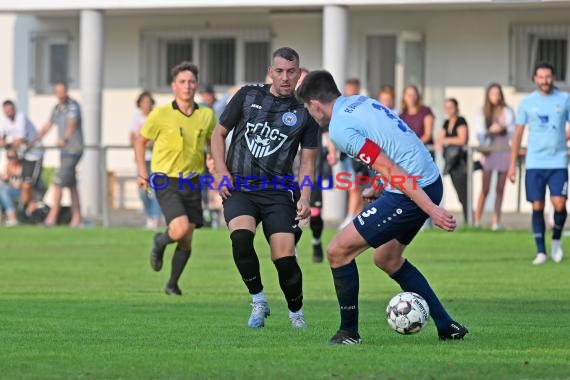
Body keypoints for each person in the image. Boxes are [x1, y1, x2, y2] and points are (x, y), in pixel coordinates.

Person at [296, 70, 468, 344]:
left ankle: (348, 332)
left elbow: (389, 166)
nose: (309, 113)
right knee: (386, 259)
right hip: (427, 179)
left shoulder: (339, 127)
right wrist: (378, 185)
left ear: (315, 103)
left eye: (307, 107)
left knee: (337, 250)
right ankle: (447, 325)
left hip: (410, 190)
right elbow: (394, 144)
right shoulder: (361, 102)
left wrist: (431, 210)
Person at [210, 47, 319, 329]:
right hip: (241, 187)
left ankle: (296, 313)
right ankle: (258, 299)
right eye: (279, 71)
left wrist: (305, 196)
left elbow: (307, 163)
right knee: (241, 239)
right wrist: (221, 171)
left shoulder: (304, 112)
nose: (285, 77)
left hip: (278, 191)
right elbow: (218, 134)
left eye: (291, 72)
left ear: (298, 73)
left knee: (283, 258)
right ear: (271, 71)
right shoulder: (248, 95)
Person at [135, 62, 216, 295]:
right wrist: (143, 172)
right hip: (165, 178)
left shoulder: (206, 115)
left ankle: (172, 285)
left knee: (187, 238)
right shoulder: (160, 114)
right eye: (182, 82)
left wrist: (212, 158)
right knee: (179, 229)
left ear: (196, 85)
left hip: (192, 180)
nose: (187, 86)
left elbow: (213, 142)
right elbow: (140, 141)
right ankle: (159, 242)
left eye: (191, 82)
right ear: (174, 86)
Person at [508, 62, 570, 265]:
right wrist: (511, 165)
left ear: (553, 78)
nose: (545, 81)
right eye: (541, 77)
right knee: (537, 205)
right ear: (535, 79)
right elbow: (517, 135)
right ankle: (541, 251)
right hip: (535, 162)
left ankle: (556, 239)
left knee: (559, 203)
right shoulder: (527, 102)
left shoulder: (564, 99)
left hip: (558, 161)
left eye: (548, 77)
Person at [33, 82, 83, 227]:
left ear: (66, 92)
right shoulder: (57, 108)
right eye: (58, 92)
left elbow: (71, 124)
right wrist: (35, 139)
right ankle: (77, 218)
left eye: (62, 92)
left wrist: (64, 139)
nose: (60, 95)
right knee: (72, 185)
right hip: (64, 151)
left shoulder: (73, 105)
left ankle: (52, 218)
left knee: (58, 182)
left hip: (73, 150)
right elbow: (48, 124)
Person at [475, 84, 515, 230]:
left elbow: (512, 130)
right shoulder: (482, 112)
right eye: (492, 93)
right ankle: (477, 220)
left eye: (498, 93)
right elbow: (479, 133)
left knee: (500, 188)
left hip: (503, 150)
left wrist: (501, 129)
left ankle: (496, 221)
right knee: (485, 188)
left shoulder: (507, 111)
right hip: (489, 151)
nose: (495, 96)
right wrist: (491, 131)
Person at [0, 100, 45, 220]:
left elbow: (19, 141)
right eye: (6, 111)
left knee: (27, 185)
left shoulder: (21, 117)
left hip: (35, 155)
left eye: (10, 110)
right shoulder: (5, 122)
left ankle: (24, 212)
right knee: (24, 186)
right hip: (25, 156)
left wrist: (8, 144)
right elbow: (2, 140)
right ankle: (25, 212)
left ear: (14, 109)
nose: (9, 113)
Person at [130, 91, 161, 229]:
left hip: (156, 159)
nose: (146, 105)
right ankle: (149, 215)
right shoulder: (136, 118)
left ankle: (155, 218)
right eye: (143, 102)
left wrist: (147, 143)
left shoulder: (156, 117)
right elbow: (133, 137)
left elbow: (157, 138)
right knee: (143, 190)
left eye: (148, 102)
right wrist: (140, 144)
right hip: (142, 159)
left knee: (155, 189)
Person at [338, 78, 367, 230]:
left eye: (354, 89)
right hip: (345, 153)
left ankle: (351, 217)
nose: (351, 92)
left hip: (359, 153)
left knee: (356, 187)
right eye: (349, 89)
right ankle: (354, 216)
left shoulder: (363, 106)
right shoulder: (341, 107)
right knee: (352, 187)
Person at [436, 98, 469, 224]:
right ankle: (468, 220)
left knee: (464, 193)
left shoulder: (461, 121)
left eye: (451, 107)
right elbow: (439, 138)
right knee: (459, 194)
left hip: (460, 162)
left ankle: (469, 220)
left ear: (456, 108)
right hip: (451, 162)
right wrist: (441, 141)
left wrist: (446, 141)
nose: (448, 110)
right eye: (446, 107)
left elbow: (462, 140)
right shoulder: (446, 122)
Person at [0, 149, 22, 226]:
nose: (10, 159)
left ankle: (12, 218)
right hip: (8, 190)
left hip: (21, 192)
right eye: (8, 157)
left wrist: (8, 177)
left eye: (12, 157)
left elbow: (18, 185)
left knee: (3, 191)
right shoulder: (6, 166)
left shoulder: (21, 167)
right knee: (1, 190)